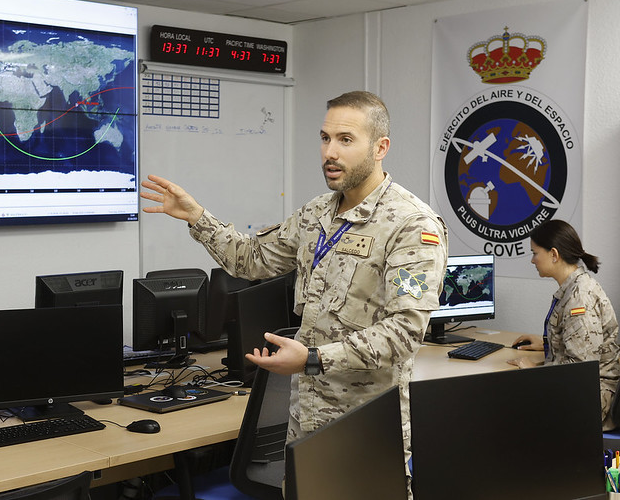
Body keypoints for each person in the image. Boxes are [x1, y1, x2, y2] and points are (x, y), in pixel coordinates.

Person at [140, 90, 448, 487]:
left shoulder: (411, 225)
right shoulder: (317, 212)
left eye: (346, 140)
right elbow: (251, 260)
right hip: (306, 422)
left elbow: (405, 332)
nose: (330, 152)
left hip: (365, 427)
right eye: (325, 138)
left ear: (380, 147)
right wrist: (197, 217)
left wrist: (313, 359)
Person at [509, 219, 620, 430]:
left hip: (591, 400)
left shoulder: (580, 298)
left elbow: (580, 371)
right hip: (581, 391)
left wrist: (534, 370)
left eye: (535, 253)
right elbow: (582, 343)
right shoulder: (574, 287)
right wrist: (547, 343)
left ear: (554, 254)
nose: (532, 260)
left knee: (508, 405)